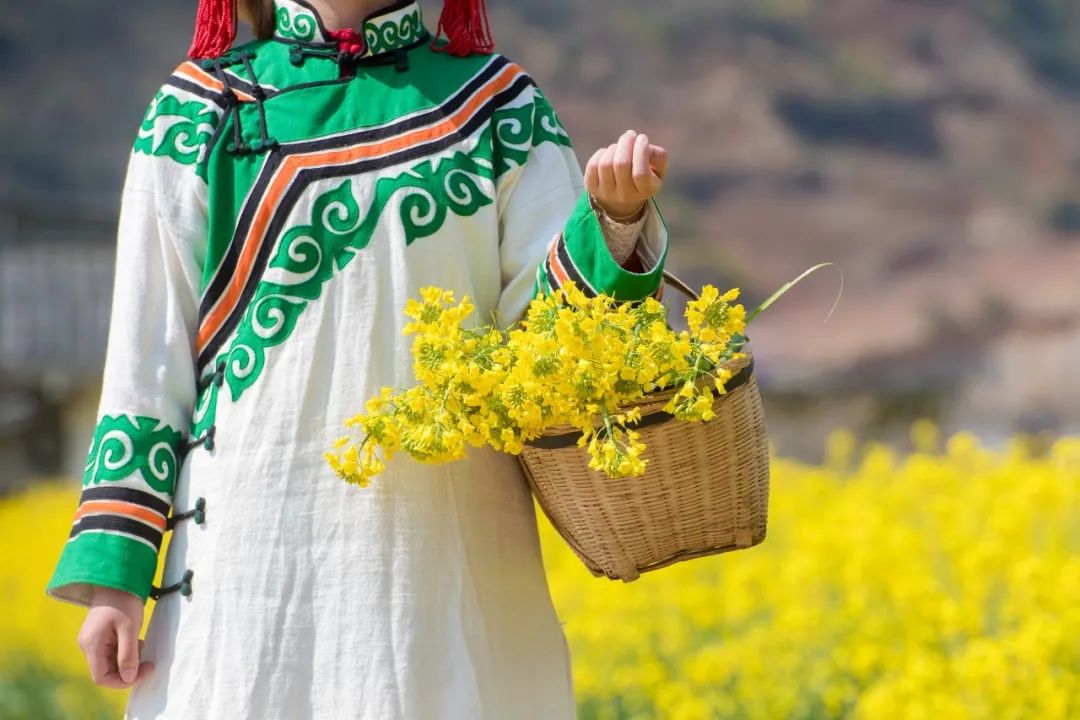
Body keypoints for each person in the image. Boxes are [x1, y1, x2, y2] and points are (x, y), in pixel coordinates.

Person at [46, 0, 670, 716]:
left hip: (450, 568)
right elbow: (146, 364)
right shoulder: (198, 112)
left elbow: (553, 345)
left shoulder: (498, 108)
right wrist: (116, 579)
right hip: (249, 569)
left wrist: (616, 225)